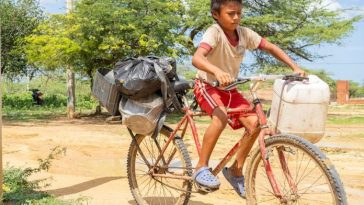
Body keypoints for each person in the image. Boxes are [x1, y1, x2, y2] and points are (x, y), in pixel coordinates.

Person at [191, 0, 305, 198]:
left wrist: (294, 67)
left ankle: (236, 170)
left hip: (230, 88)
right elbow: (197, 58)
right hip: (208, 85)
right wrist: (217, 71)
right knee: (221, 117)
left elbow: (270, 47)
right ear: (216, 15)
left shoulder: (244, 33)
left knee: (256, 125)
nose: (236, 17)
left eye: (239, 13)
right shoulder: (214, 32)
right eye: (230, 13)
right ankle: (201, 167)